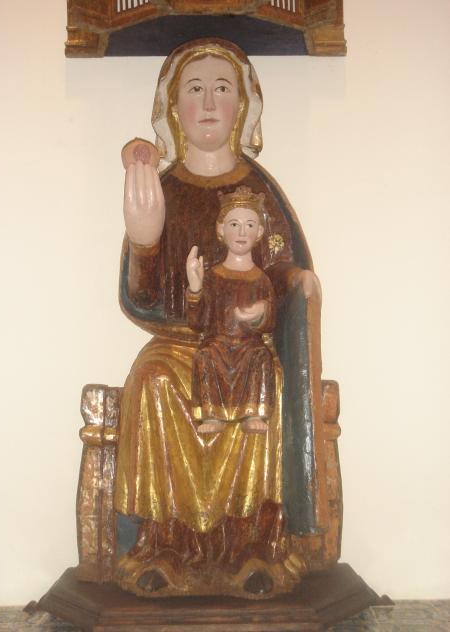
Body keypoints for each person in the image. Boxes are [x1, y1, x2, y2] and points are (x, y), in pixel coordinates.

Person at [114, 38, 324, 598]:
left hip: (244, 346)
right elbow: (139, 299)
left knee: (264, 383)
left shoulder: (258, 191)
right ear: (173, 107)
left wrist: (293, 285)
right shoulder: (163, 188)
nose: (208, 103)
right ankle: (164, 545)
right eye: (195, 89)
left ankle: (254, 544)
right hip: (179, 345)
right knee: (152, 380)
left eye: (222, 88)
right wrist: (144, 242)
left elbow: (281, 267)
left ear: (242, 106)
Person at [186, 186, 276, 435]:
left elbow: (270, 322)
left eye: (249, 225)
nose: (241, 232)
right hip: (218, 343)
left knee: (261, 357)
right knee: (205, 356)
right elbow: (197, 323)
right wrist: (195, 288)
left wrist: (262, 311)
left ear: (259, 232)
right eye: (234, 224)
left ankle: (253, 411)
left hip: (249, 345)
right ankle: (212, 413)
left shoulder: (261, 279)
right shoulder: (213, 277)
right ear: (221, 229)